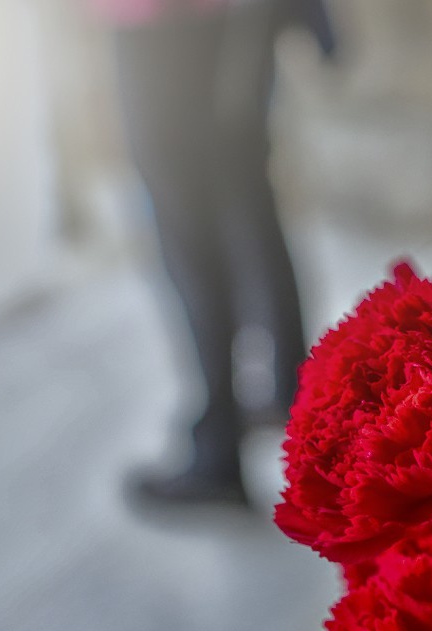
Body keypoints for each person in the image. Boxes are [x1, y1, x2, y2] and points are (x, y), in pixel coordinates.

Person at [89, 0, 310, 505]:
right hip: (230, 19)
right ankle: (289, 393)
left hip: (163, 22)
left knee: (189, 234)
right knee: (246, 204)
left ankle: (218, 448)